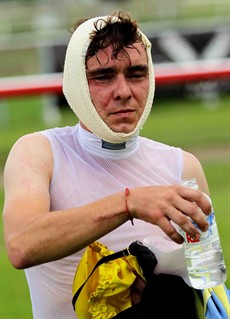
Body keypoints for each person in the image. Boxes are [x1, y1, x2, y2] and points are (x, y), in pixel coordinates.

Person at [3, 12, 212, 318]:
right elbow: (20, 245)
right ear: (75, 81)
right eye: (103, 76)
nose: (124, 92)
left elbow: (209, 284)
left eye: (137, 74)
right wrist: (129, 203)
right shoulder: (39, 152)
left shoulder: (183, 167)